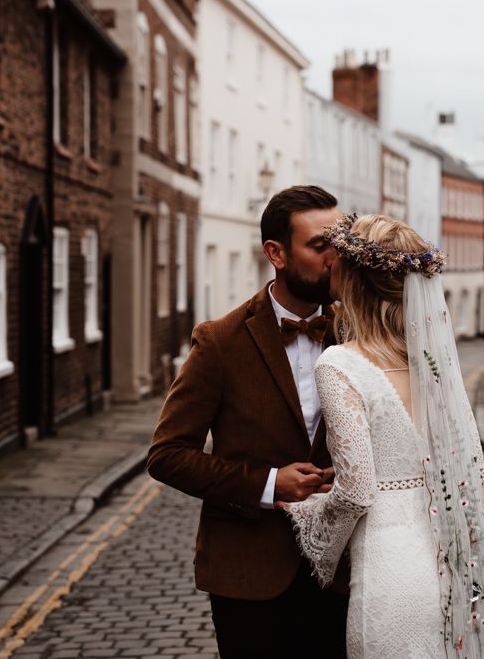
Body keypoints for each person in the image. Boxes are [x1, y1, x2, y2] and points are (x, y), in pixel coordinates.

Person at [278, 214, 484, 659]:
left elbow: (358, 492)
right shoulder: (435, 364)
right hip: (453, 571)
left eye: (338, 258)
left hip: (390, 575)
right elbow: (472, 465)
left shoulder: (340, 364)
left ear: (355, 278)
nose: (329, 265)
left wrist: (307, 516)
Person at [147, 185, 348, 659]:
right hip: (249, 576)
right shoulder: (219, 342)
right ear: (275, 253)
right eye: (320, 245)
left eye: (340, 242)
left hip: (343, 571)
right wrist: (270, 484)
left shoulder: (359, 333)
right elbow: (167, 456)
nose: (335, 258)